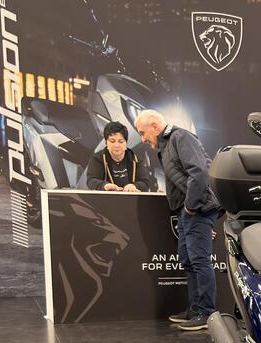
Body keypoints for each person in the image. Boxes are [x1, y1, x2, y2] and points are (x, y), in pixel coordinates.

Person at [134, 110, 219, 331]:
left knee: (200, 261)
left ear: (155, 126)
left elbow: (199, 172)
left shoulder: (180, 137)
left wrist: (190, 206)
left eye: (143, 132)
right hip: (186, 210)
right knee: (188, 261)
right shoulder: (166, 144)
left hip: (197, 208)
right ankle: (195, 309)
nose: (142, 139)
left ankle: (207, 314)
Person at [86, 121, 155, 193]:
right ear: (106, 143)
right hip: (106, 198)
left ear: (126, 143)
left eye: (121, 141)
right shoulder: (97, 158)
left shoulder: (136, 160)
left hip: (130, 198)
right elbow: (91, 180)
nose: (117, 145)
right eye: (112, 141)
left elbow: (145, 182)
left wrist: (134, 186)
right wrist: (105, 186)